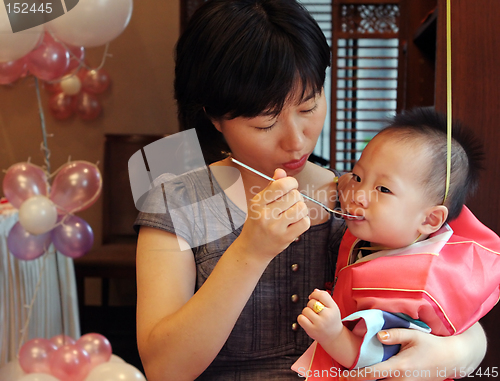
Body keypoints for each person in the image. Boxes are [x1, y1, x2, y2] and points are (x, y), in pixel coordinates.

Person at [133, 1, 487, 380]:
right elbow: (164, 370)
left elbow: (454, 294)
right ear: (214, 117)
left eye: (308, 106)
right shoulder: (178, 202)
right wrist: (250, 252)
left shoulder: (361, 198)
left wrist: (459, 351)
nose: (297, 141)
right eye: (266, 124)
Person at [293, 108, 500, 379]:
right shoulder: (415, 232)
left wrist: (332, 334)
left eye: (383, 189)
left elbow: (376, 358)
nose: (358, 194)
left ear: (430, 219)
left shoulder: (408, 289)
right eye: (358, 176)